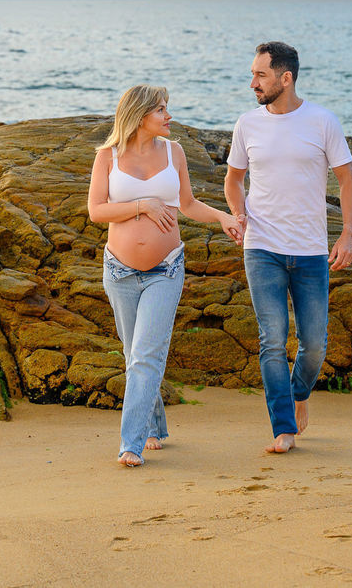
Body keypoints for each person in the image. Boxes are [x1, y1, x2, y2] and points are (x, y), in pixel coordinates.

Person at [88, 84, 243, 467]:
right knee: (133, 354)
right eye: (161, 110)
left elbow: (187, 204)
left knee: (145, 355)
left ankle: (131, 444)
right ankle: (155, 424)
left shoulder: (174, 152)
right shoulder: (108, 156)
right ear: (141, 115)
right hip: (119, 271)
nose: (168, 116)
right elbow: (96, 211)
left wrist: (223, 217)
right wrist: (141, 205)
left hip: (166, 268)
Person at [224, 41, 352, 454]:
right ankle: (282, 428)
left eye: (260, 75)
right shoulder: (247, 124)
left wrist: (348, 233)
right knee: (272, 339)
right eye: (253, 74)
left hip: (311, 250)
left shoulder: (322, 122)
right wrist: (239, 214)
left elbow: (347, 180)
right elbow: (233, 181)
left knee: (315, 343)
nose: (253, 83)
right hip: (261, 247)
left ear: (286, 78)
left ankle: (300, 393)